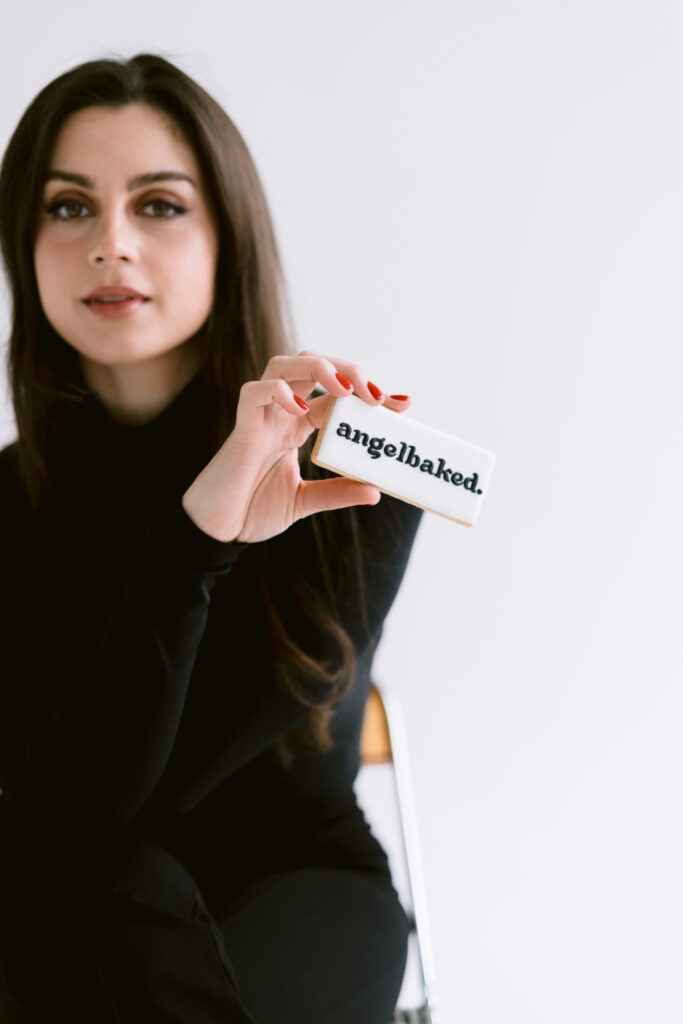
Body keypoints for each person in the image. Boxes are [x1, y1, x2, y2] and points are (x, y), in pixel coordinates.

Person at [0, 52, 422, 1023]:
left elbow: (172, 783)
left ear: (227, 236)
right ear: (22, 244)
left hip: (293, 882)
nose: (111, 243)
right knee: (83, 879)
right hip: (66, 896)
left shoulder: (353, 468)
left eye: (159, 205)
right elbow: (80, 816)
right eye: (67, 207)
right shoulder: (6, 506)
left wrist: (216, 519)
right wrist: (199, 534)